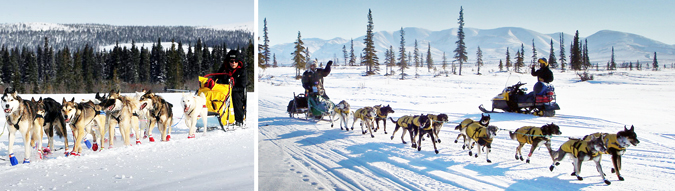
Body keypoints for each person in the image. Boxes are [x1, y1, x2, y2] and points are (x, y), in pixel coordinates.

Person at [214, 50, 247, 126]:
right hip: (224, 90)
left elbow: (242, 85)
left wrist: (231, 89)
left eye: (236, 61)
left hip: (236, 90)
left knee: (235, 97)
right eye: (231, 61)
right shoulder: (224, 68)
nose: (233, 63)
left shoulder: (241, 71)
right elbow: (217, 76)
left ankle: (239, 120)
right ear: (228, 62)